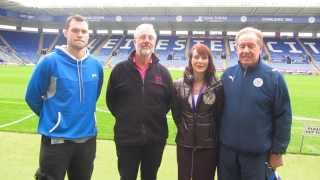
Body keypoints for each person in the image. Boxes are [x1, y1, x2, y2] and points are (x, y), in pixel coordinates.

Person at [25, 15, 104, 180]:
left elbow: (93, 97)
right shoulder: (49, 62)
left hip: (87, 140)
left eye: (84, 31)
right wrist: (54, 118)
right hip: (56, 141)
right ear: (65, 32)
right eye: (75, 30)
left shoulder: (96, 65)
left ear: (88, 35)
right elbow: (32, 97)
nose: (80, 34)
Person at [218, 27, 292, 180]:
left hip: (257, 157)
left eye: (250, 46)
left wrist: (278, 151)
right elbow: (218, 111)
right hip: (227, 155)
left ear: (260, 47)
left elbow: (283, 117)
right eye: (241, 46)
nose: (245, 50)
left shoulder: (274, 78)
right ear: (236, 48)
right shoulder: (227, 75)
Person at [106, 24, 173, 180]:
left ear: (155, 42)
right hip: (127, 139)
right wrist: (127, 118)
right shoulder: (119, 70)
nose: (146, 41)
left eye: (150, 37)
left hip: (155, 139)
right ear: (134, 41)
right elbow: (111, 101)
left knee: (150, 177)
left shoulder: (163, 73)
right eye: (142, 37)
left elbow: (168, 103)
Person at [171, 43, 224, 180]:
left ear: (209, 61)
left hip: (208, 146)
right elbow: (177, 114)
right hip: (185, 144)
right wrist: (186, 129)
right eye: (196, 57)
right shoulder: (178, 85)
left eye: (204, 57)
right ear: (190, 60)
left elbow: (219, 115)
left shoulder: (217, 86)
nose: (200, 61)